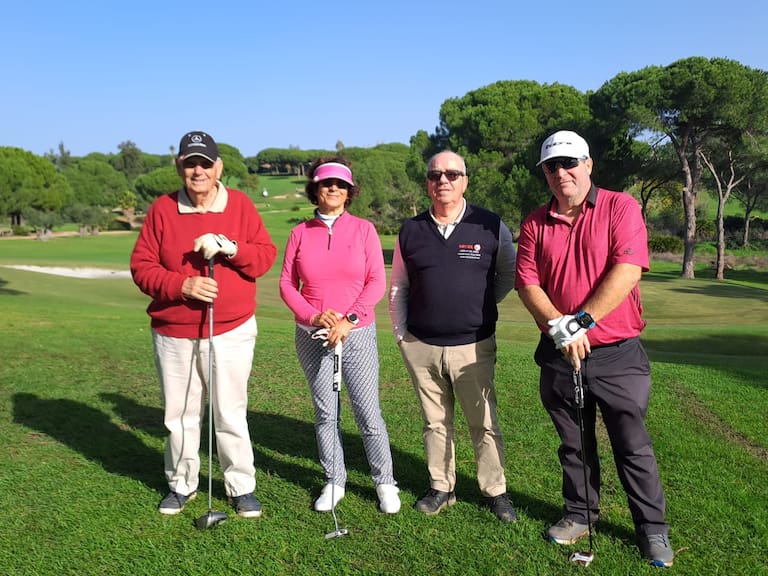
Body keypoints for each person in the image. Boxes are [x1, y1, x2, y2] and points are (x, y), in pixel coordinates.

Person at [515, 130, 674, 567]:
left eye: (569, 163)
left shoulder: (620, 206)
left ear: (588, 164)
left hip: (617, 353)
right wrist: (560, 327)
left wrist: (580, 322)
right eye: (551, 166)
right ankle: (580, 514)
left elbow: (628, 269)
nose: (561, 172)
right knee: (574, 444)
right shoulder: (534, 222)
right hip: (559, 353)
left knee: (632, 444)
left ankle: (652, 529)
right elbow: (527, 283)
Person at [130, 131, 277, 519]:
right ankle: (182, 484)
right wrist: (183, 286)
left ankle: (241, 486)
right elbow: (142, 268)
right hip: (174, 332)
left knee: (230, 412)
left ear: (218, 168)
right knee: (180, 415)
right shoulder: (162, 210)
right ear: (179, 165)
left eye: (205, 164)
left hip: (231, 329)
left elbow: (264, 257)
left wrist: (230, 248)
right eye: (191, 163)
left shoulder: (240, 205)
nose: (198, 171)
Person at [388, 151, 518, 522]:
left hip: (474, 346)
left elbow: (508, 275)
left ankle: (495, 491)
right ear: (427, 183)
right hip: (422, 346)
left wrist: (477, 305)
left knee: (484, 422)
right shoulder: (411, 230)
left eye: (452, 174)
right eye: (435, 175)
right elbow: (399, 286)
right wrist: (402, 337)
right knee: (434, 422)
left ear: (465, 180)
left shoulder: (490, 225)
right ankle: (441, 487)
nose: (443, 180)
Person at [279, 157, 401, 514]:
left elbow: (376, 280)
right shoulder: (300, 233)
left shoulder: (364, 230)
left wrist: (348, 319)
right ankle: (334, 480)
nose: (333, 188)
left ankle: (384, 482)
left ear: (349, 192)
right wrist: (314, 316)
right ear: (315, 189)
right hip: (312, 334)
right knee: (325, 412)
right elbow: (287, 283)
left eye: (340, 184)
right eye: (326, 183)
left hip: (356, 334)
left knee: (367, 411)